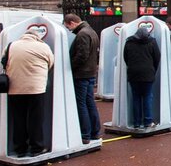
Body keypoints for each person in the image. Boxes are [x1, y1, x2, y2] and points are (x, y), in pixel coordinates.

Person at [6, 29, 54, 158]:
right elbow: (50, 63)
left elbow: (5, 63)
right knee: (35, 119)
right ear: (36, 37)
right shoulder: (43, 47)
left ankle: (20, 149)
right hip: (36, 88)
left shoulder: (12, 45)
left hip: (15, 87)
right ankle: (36, 148)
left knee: (18, 118)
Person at [63, 14, 101, 144]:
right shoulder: (91, 31)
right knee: (89, 102)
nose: (69, 30)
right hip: (89, 72)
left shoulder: (82, 34)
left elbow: (82, 55)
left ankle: (85, 133)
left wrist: (70, 66)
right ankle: (94, 132)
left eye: (68, 26)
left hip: (82, 74)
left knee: (82, 104)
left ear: (72, 22)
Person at [124, 27, 161, 128]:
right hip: (148, 73)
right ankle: (148, 121)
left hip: (133, 73)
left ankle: (136, 122)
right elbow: (157, 57)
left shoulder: (129, 42)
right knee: (147, 97)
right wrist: (153, 69)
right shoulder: (152, 42)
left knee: (136, 97)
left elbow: (125, 57)